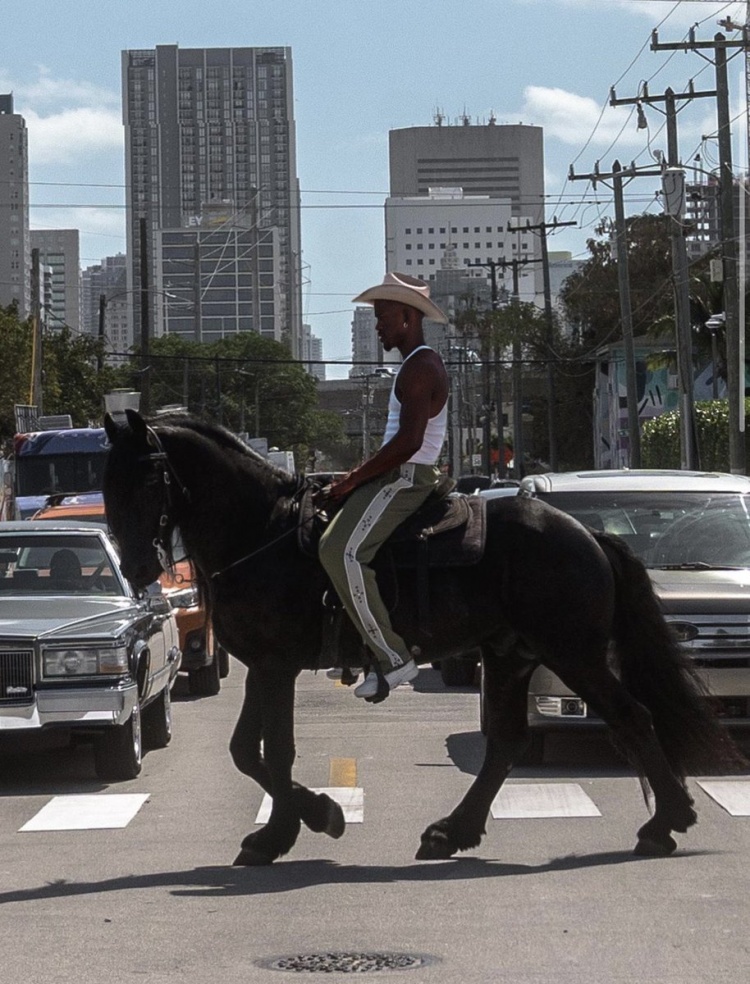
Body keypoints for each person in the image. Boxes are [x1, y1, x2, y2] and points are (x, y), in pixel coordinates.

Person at [319, 272, 449, 699]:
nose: (378, 326)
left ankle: (394, 658)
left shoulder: (421, 367)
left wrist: (355, 477)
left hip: (408, 479)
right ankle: (355, 648)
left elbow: (408, 443)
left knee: (339, 549)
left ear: (408, 318)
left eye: (383, 317)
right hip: (399, 474)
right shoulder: (414, 365)